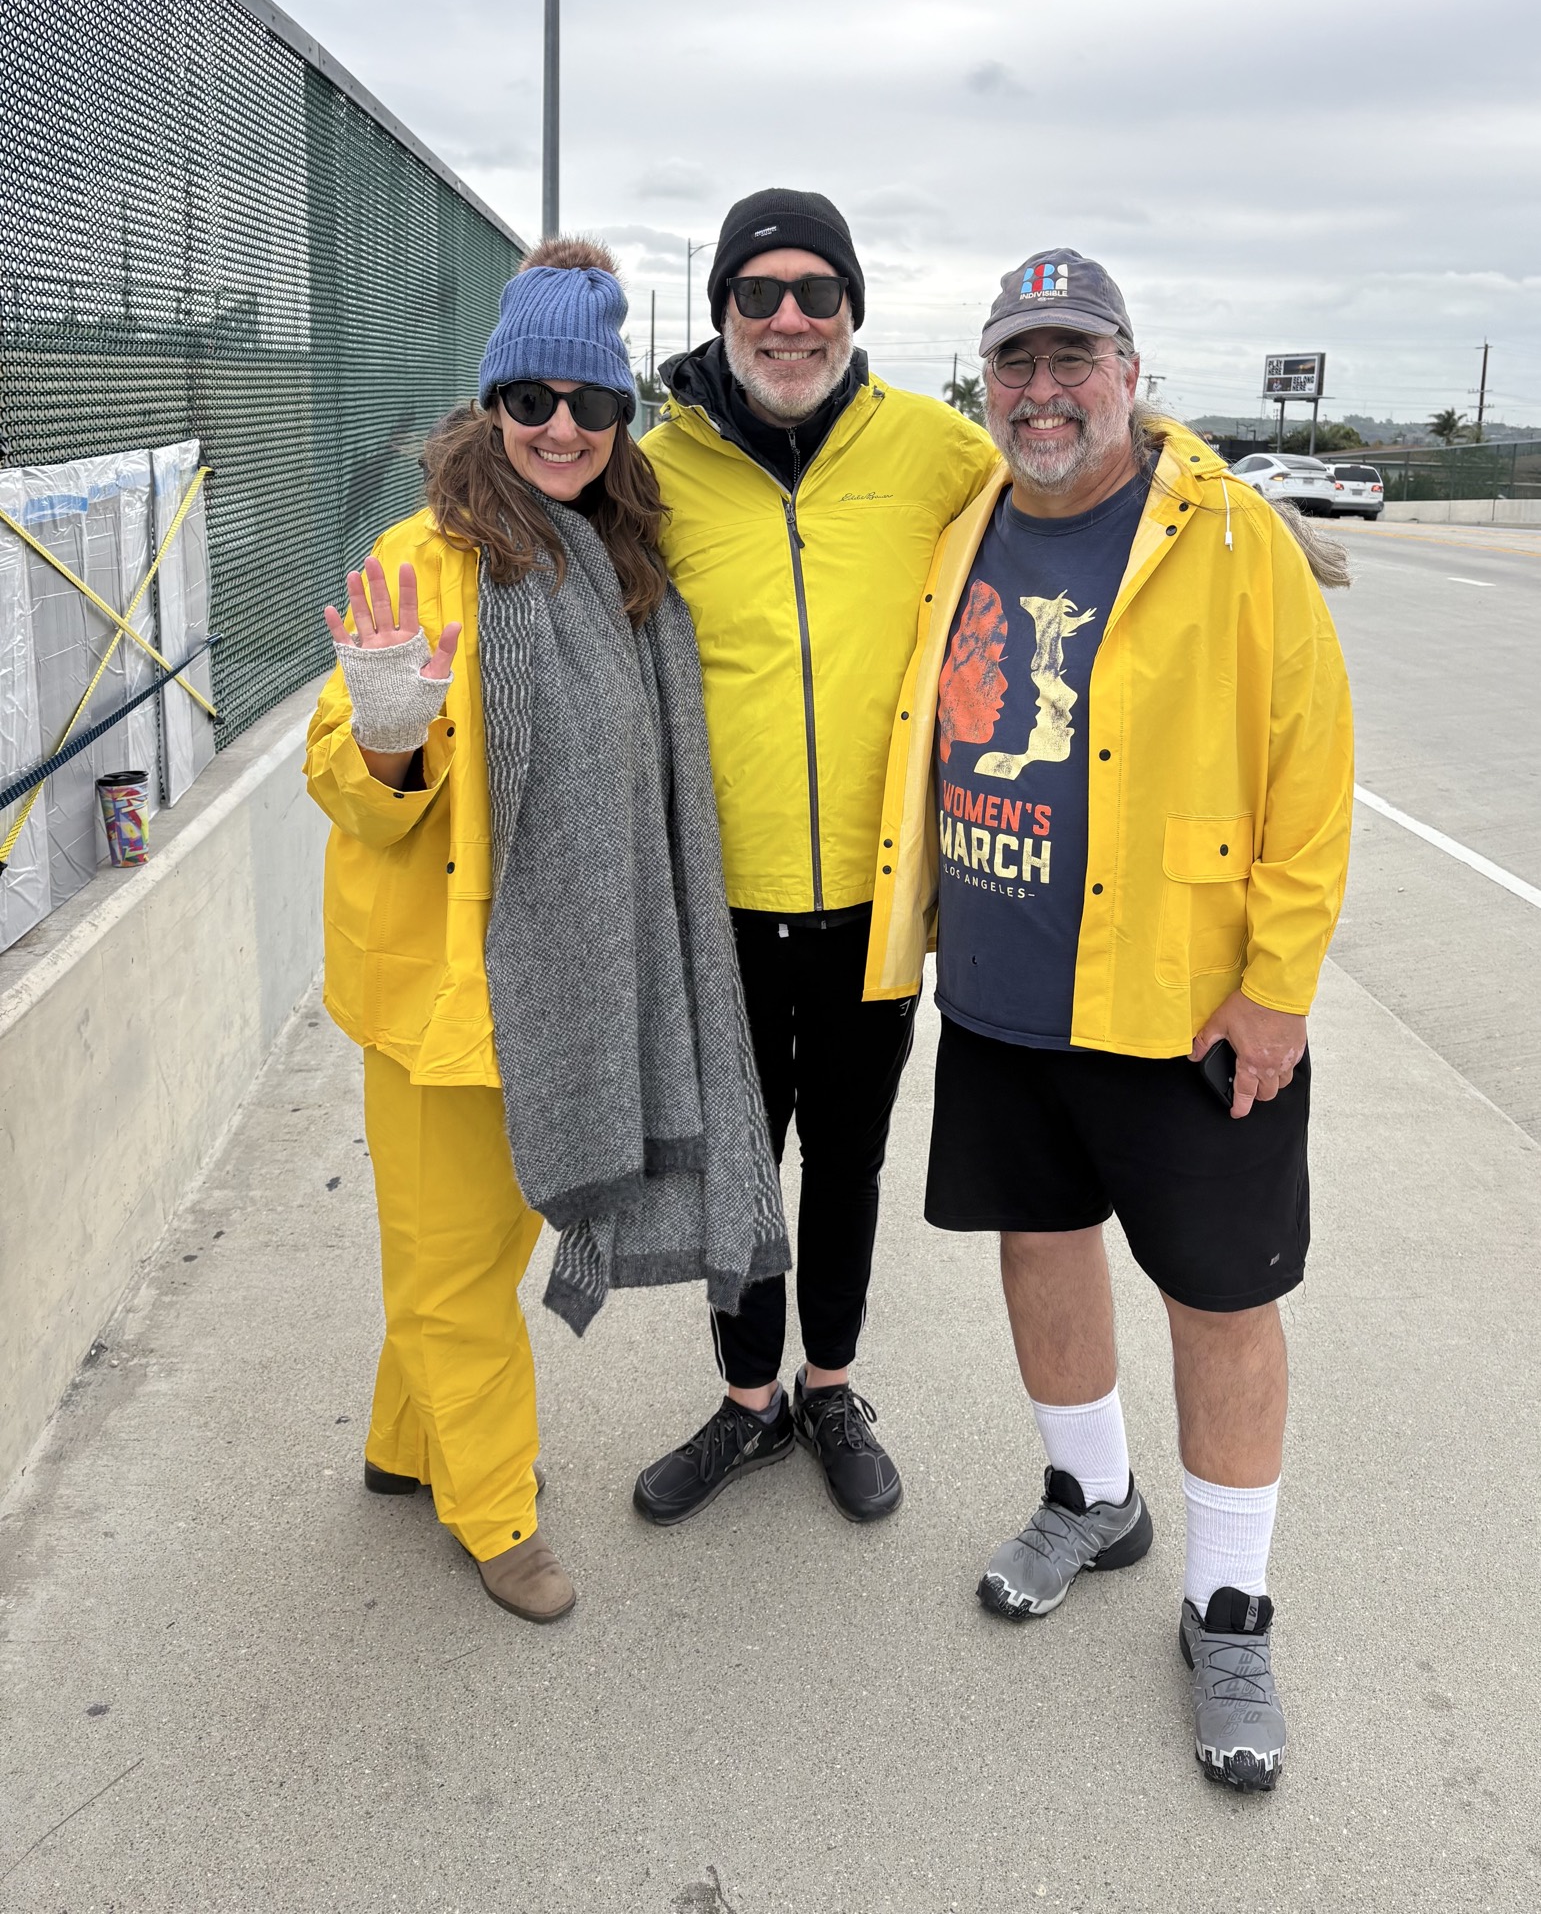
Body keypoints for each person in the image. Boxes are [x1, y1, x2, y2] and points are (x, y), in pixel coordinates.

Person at [863, 249, 1353, 1788]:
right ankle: (1091, 1497)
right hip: (1003, 988)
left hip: (1185, 1006)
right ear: (985, 383)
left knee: (1220, 1299)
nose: (1042, 389)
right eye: (1015, 361)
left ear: (1128, 372)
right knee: (1039, 1243)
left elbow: (1310, 775)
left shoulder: (1232, 537)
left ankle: (1228, 1606)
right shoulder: (963, 523)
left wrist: (1276, 986)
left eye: (1072, 357)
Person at [305, 239, 787, 1623]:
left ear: (621, 417)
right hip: (448, 996)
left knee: (466, 1250)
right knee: (459, 1266)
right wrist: (387, 735)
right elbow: (352, 784)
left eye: (590, 404)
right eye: (532, 401)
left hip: (566, 988)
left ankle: (406, 1444)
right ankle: (495, 1509)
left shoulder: (622, 566)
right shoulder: (427, 560)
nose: (560, 429)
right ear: (491, 408)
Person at [632, 190, 999, 1527]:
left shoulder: (936, 448)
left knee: (845, 1164)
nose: (788, 320)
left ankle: (829, 1386)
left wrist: (1216, 490)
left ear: (851, 307)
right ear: (722, 310)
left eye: (816, 292)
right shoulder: (652, 469)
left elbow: (1079, 476)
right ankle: (749, 1404)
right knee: (736, 1168)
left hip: (875, 899)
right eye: (758, 293)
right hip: (719, 901)